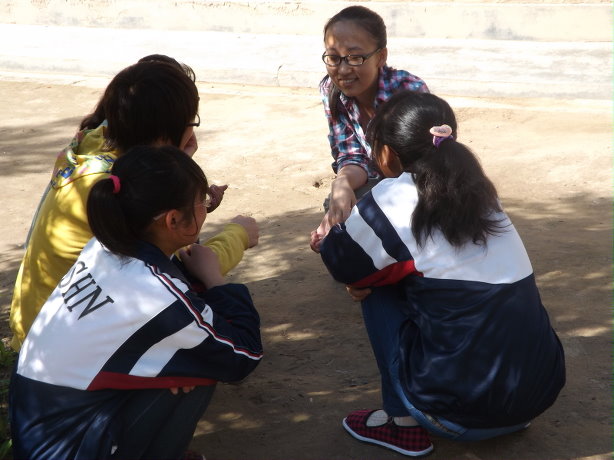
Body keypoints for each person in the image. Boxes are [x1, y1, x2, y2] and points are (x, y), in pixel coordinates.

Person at [318, 91, 566, 456]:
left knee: (378, 290)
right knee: (426, 281)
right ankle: (507, 410)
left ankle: (401, 425)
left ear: (387, 153)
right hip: (536, 397)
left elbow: (341, 263)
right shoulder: (481, 192)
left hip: (455, 417)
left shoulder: (394, 197)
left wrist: (330, 238)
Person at [10, 145, 263, 460]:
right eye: (202, 201)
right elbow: (243, 353)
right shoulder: (154, 293)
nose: (205, 207)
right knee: (205, 363)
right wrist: (215, 278)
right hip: (70, 447)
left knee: (188, 351)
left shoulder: (102, 246)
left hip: (39, 434)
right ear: (172, 220)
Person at [9, 57, 258, 351]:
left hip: (34, 330)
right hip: (65, 347)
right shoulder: (127, 189)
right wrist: (238, 236)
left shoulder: (93, 145)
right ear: (166, 134)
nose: (193, 131)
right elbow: (179, 269)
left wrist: (178, 167)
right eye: (191, 123)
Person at [310, 5, 429, 251]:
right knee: (338, 206)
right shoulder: (331, 91)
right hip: (381, 186)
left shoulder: (410, 91)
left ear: (381, 56)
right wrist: (341, 183)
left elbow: (428, 169)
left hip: (420, 189)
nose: (342, 70)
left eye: (355, 57)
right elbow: (352, 155)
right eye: (333, 57)